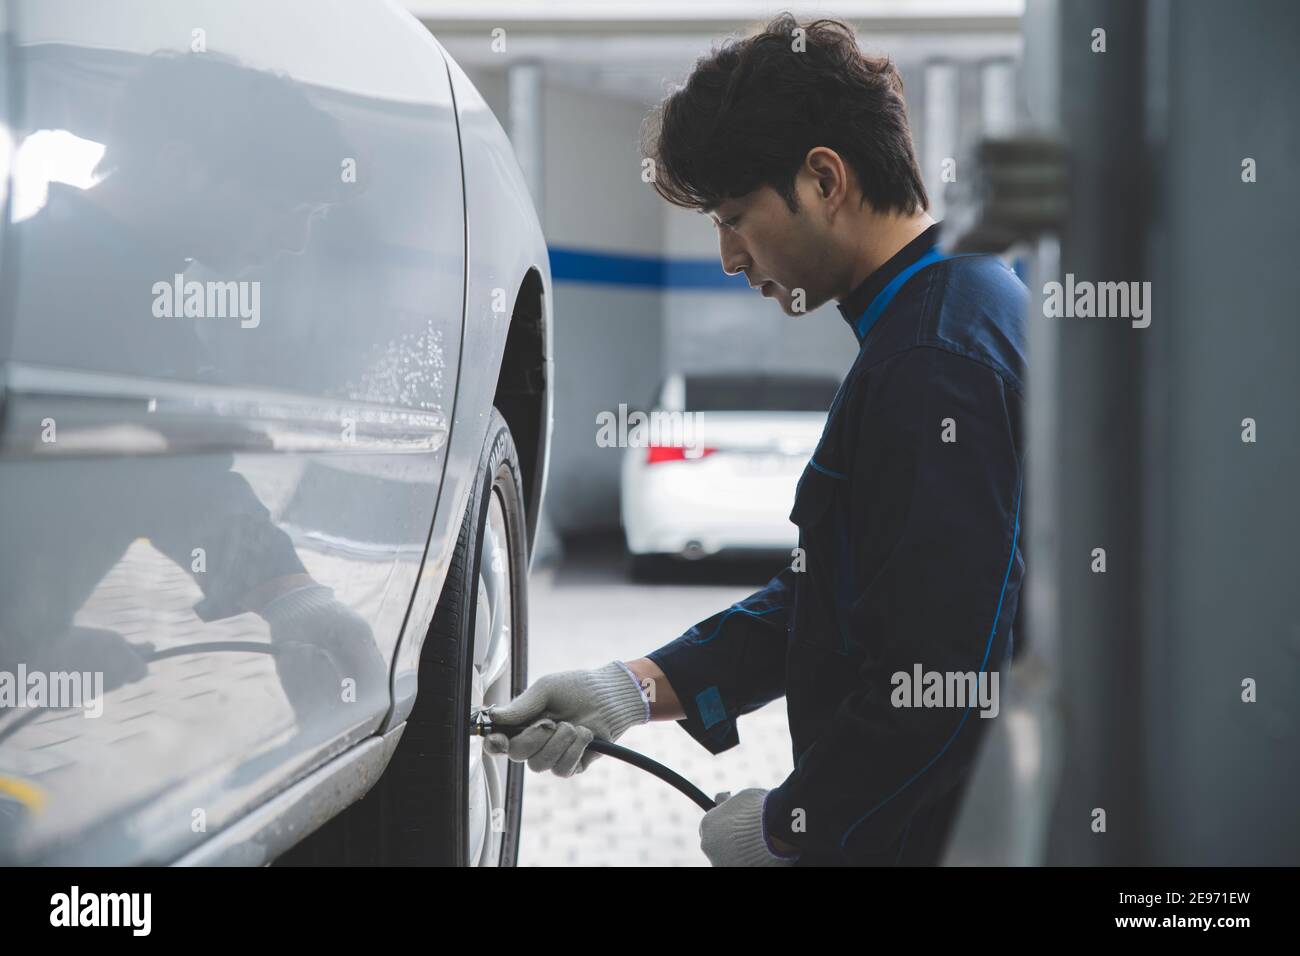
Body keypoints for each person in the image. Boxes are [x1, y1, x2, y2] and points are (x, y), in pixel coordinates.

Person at [484, 13, 1027, 867]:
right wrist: (631, 689)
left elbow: (946, 677)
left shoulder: (934, 361)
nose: (731, 258)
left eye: (736, 216)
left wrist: (792, 825)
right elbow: (844, 595)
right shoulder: (949, 311)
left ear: (824, 179)